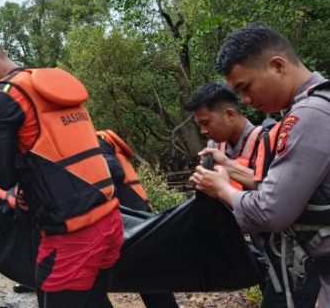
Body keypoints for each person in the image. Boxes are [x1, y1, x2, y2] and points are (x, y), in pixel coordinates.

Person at [0, 34, 123, 308]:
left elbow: (4, 176)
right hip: (110, 221)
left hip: (71, 236)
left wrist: (22, 181)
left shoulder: (3, 97)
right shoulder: (48, 83)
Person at [191, 23, 328, 308]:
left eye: (246, 87)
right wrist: (230, 167)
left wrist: (223, 190)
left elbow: (271, 211)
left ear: (278, 66)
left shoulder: (308, 115)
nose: (246, 101)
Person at [97, 130, 179, 308]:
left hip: (133, 220)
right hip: (120, 220)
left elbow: (115, 171)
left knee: (150, 282)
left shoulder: (97, 140)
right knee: (93, 282)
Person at [184, 82, 261, 190]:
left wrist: (227, 166)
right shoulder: (214, 145)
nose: (203, 131)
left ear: (229, 114)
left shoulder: (266, 141)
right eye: (200, 125)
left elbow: (274, 190)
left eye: (205, 123)